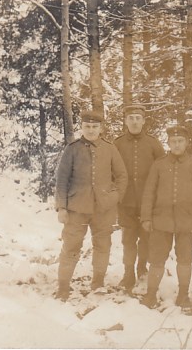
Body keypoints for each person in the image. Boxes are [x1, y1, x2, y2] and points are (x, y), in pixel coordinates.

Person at [54, 111, 128, 301]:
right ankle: (63, 286)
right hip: (77, 208)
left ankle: (98, 283)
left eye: (95, 127)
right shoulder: (72, 149)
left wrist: (115, 197)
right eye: (87, 126)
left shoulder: (110, 149)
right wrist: (62, 207)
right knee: (71, 246)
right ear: (82, 127)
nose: (91, 130)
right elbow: (62, 180)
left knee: (102, 246)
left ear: (100, 128)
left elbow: (122, 176)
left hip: (104, 209)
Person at [139, 126, 192, 310]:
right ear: (168, 143)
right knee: (157, 259)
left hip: (188, 222)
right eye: (173, 142)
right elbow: (149, 192)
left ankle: (183, 295)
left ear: (186, 143)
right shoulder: (159, 164)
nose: (177, 145)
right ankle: (151, 294)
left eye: (180, 141)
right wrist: (146, 217)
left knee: (185, 259)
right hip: (161, 221)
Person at [114, 104, 165, 293]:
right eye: (131, 118)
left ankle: (142, 269)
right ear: (126, 121)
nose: (134, 122)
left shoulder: (153, 144)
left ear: (144, 121)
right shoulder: (117, 144)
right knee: (128, 240)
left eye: (138, 118)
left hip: (148, 203)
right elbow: (112, 172)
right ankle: (128, 274)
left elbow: (163, 171)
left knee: (146, 238)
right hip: (126, 202)